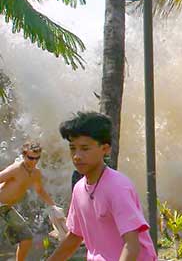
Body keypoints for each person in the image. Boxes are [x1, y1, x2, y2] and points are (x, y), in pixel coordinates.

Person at [48, 111, 157, 261]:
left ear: (105, 149)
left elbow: (132, 246)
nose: (77, 156)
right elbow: (75, 236)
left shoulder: (118, 187)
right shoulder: (80, 188)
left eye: (85, 148)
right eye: (73, 148)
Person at [0, 141, 65, 261]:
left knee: (26, 238)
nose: (34, 161)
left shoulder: (36, 173)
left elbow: (40, 191)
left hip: (8, 209)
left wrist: (54, 206)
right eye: (31, 158)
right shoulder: (17, 168)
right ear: (24, 155)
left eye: (37, 158)